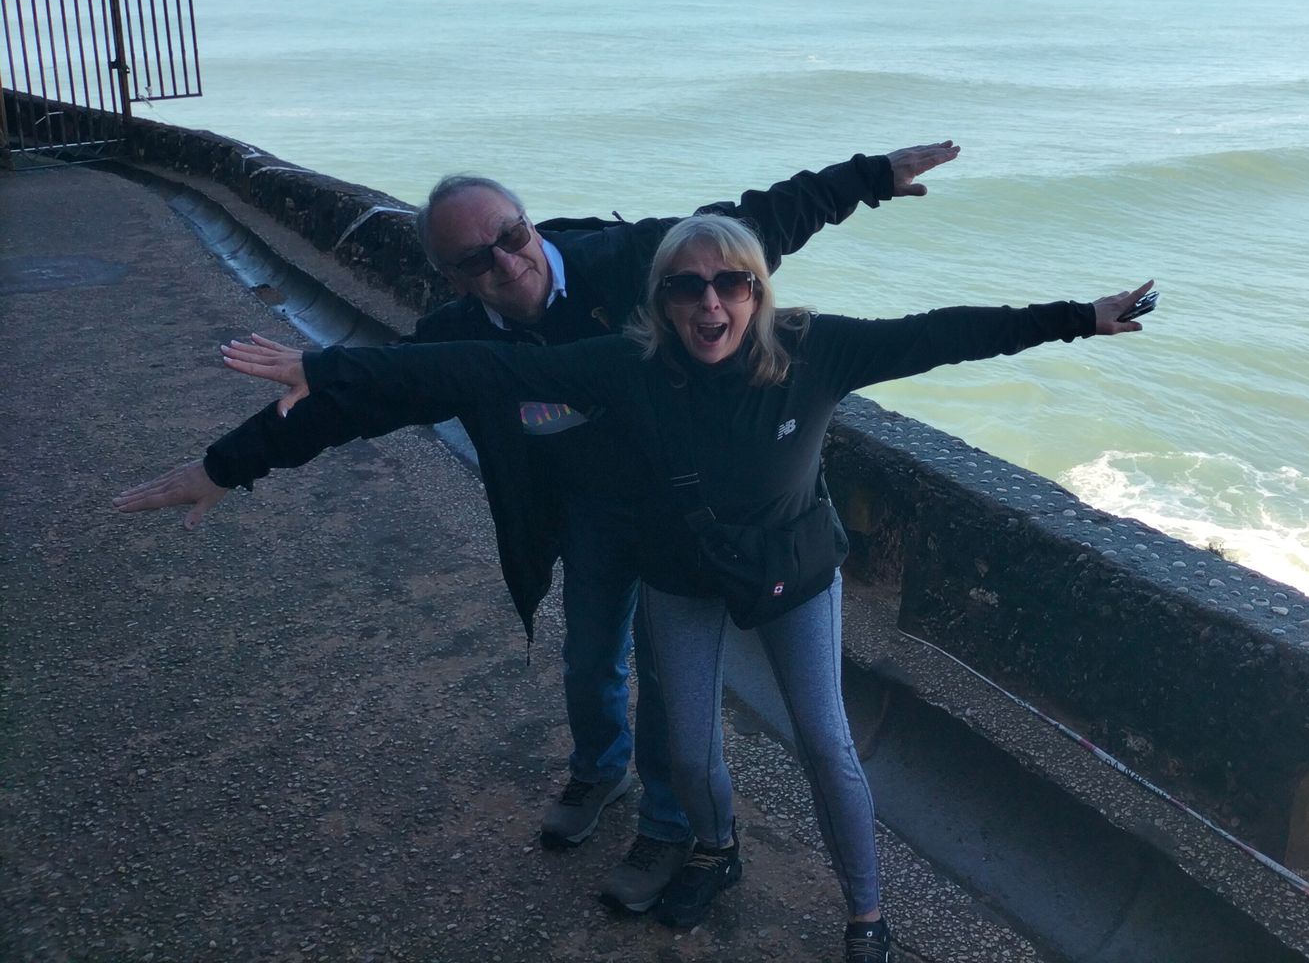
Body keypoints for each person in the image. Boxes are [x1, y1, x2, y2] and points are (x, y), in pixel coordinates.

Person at [217, 213, 1153, 963]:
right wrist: (324, 365)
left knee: (826, 745)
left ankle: (866, 918)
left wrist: (1078, 316)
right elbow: (485, 363)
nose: (712, 303)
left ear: (758, 289)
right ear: (662, 301)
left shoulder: (813, 349)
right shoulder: (627, 364)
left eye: (731, 282)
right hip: (680, 574)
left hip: (792, 574)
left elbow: (943, 335)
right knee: (692, 751)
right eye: (687, 287)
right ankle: (716, 849)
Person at [112, 143, 958, 914]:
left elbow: (752, 226)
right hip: (584, 512)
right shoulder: (459, 339)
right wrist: (225, 468)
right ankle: (598, 772)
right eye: (474, 260)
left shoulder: (629, 264)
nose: (506, 263)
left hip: (677, 517)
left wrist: (870, 179)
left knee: (673, 690)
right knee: (591, 657)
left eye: (511, 236)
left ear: (528, 222)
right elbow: (354, 399)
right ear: (452, 278)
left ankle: (670, 826)